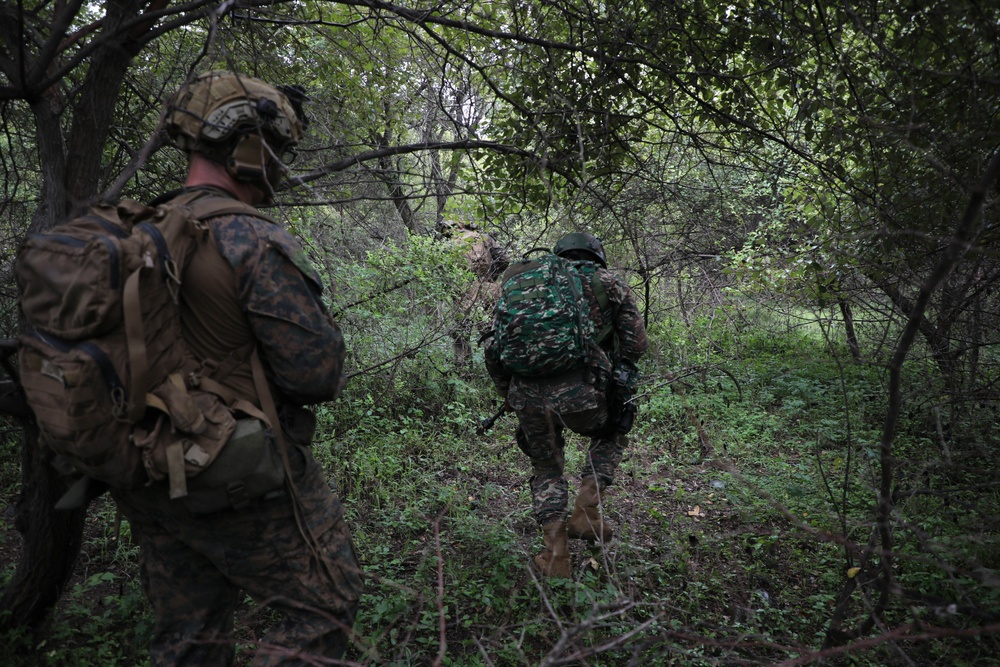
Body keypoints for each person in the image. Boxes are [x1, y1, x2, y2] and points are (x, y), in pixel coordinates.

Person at [110, 71, 364, 665]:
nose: (282, 163)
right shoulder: (248, 238)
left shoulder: (136, 229)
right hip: (234, 473)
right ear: (251, 146)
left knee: (188, 633)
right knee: (327, 607)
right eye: (280, 148)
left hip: (146, 470)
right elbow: (315, 374)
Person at [484, 232, 648, 578]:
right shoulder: (607, 281)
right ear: (597, 256)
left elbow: (494, 349)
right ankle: (586, 512)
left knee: (546, 468)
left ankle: (556, 556)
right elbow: (636, 342)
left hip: (526, 394)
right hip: (584, 394)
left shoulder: (523, 285)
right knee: (613, 430)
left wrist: (509, 397)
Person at [438, 220, 509, 366]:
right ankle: (499, 367)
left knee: (461, 335)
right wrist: (491, 278)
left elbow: (442, 271)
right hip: (489, 289)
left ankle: (465, 374)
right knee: (491, 332)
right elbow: (504, 260)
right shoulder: (485, 238)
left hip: (463, 292)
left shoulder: (449, 244)